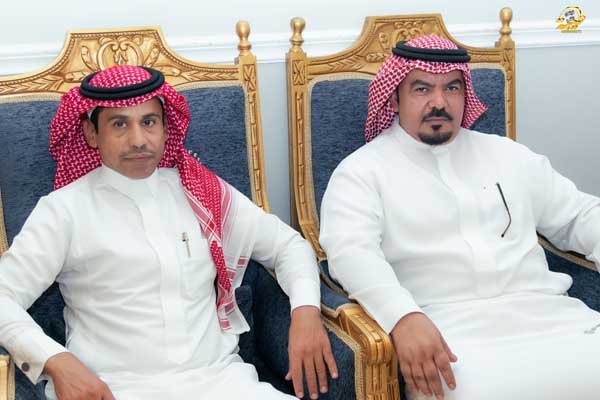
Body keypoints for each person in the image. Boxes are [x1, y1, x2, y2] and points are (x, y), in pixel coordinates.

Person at [0, 65, 337, 400]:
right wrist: (56, 360)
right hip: (115, 389)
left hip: (222, 382)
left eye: (149, 122)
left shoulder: (201, 191)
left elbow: (289, 246)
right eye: (119, 124)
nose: (138, 140)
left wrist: (305, 311)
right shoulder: (64, 210)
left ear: (165, 128)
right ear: (91, 133)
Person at [319, 34, 600, 400]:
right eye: (422, 89)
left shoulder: (508, 155)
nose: (439, 102)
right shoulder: (361, 172)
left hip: (554, 318)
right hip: (446, 335)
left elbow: (579, 215)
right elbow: (351, 255)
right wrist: (402, 317)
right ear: (395, 98)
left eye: (451, 88)